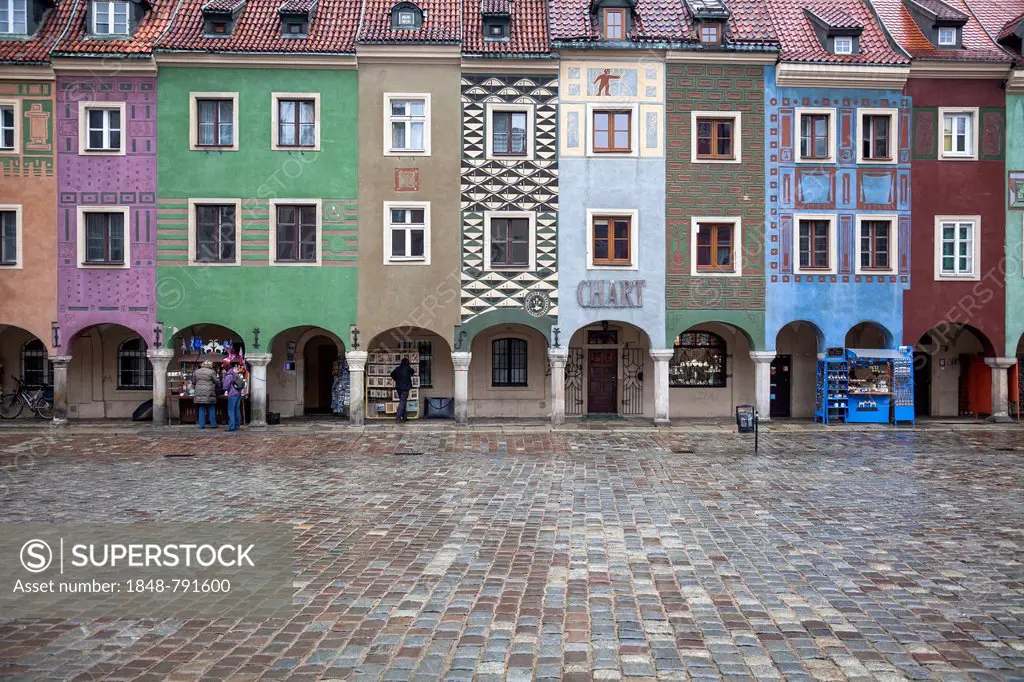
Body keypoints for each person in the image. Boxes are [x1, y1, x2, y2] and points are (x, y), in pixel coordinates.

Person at [193, 361, 219, 429]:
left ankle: (202, 425)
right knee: (211, 407)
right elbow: (216, 381)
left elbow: (193, 381)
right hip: (209, 391)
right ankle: (213, 424)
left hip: (199, 391)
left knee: (201, 407)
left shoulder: (197, 371)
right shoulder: (211, 372)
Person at [389, 357, 416, 423]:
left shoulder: (397, 369)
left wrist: (397, 380)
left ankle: (404, 417)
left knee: (403, 401)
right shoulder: (408, 368)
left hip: (398, 387)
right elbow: (413, 371)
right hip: (405, 387)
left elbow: (392, 374)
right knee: (402, 402)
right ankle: (398, 417)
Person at [224, 361, 245, 432]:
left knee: (231, 410)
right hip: (238, 393)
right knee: (237, 410)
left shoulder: (229, 375)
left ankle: (231, 427)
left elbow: (225, 386)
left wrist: (226, 389)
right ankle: (237, 425)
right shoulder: (236, 374)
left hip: (232, 394)